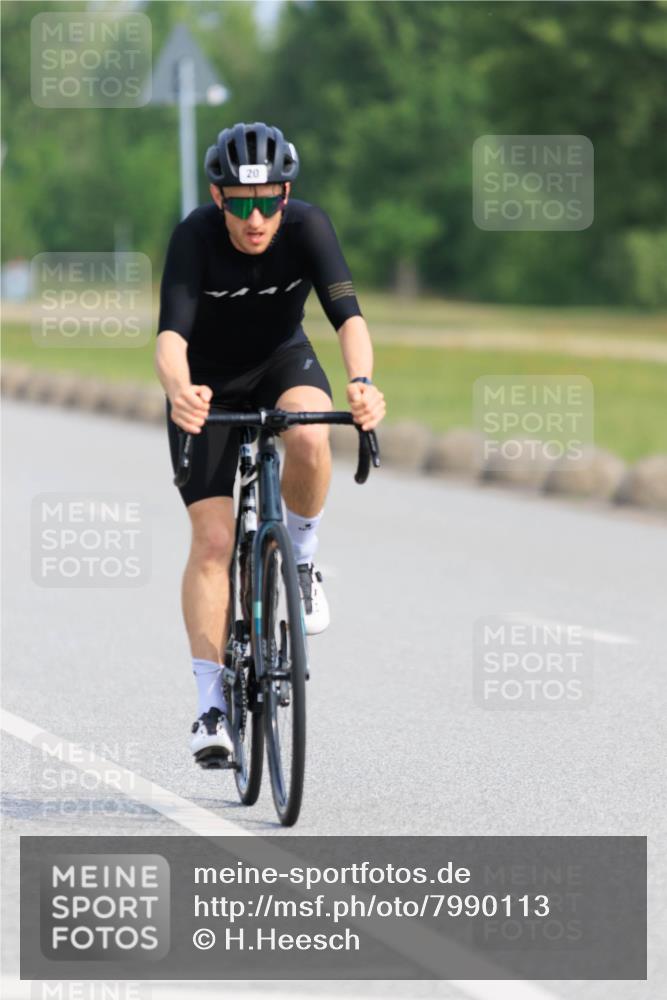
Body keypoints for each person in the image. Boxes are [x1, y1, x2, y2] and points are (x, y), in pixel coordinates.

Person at [155, 122, 386, 764]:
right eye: (239, 203)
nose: (256, 219)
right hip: (206, 386)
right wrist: (179, 390)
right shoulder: (194, 238)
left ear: (286, 195)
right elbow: (171, 337)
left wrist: (363, 384)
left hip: (281, 362)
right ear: (217, 195)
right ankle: (208, 707)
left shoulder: (308, 227)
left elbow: (350, 317)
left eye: (269, 202)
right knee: (212, 541)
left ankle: (303, 559)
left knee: (311, 429)